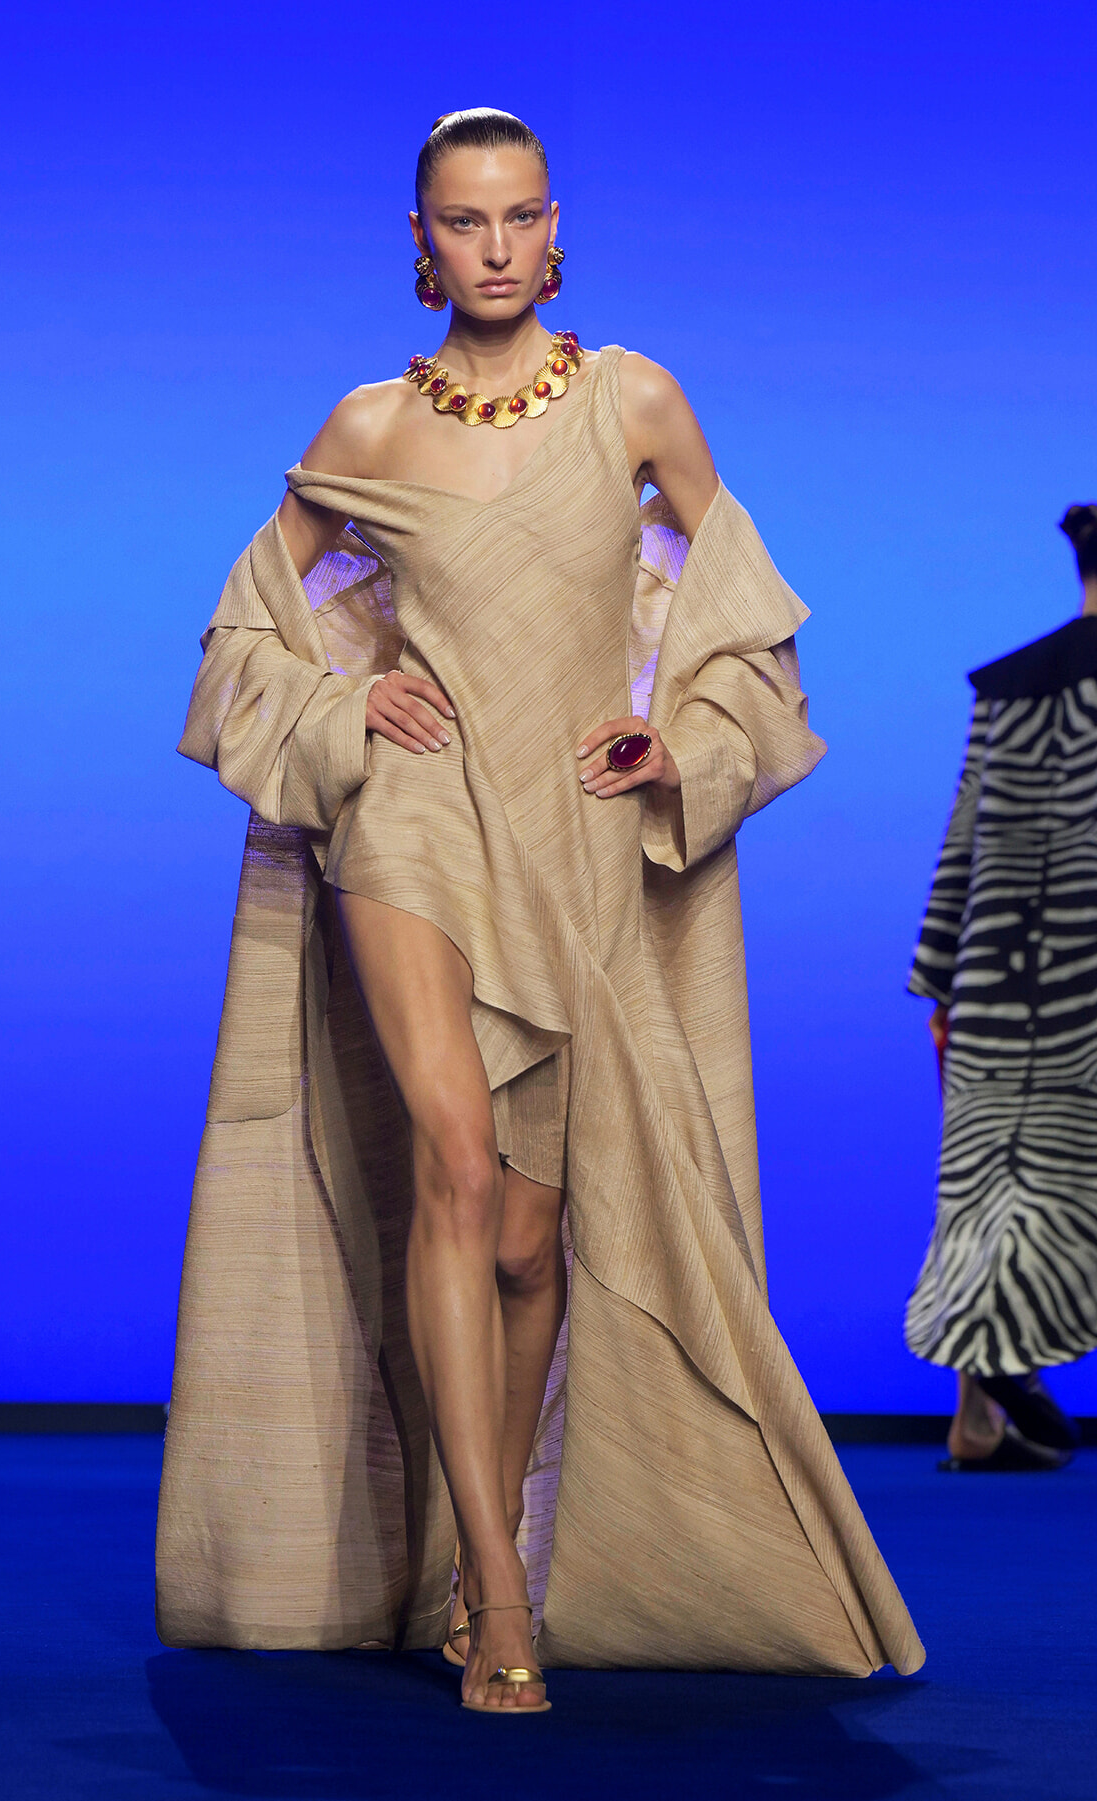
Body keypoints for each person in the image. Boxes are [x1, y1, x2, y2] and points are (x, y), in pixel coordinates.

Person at [156, 108, 923, 1710]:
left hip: (575, 832)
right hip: (418, 829)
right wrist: (343, 719)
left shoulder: (637, 399)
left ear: (555, 229)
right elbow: (241, 644)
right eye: (460, 220)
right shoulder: (364, 428)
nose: (492, 247)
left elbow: (746, 629)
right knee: (451, 1163)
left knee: (525, 1236)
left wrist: (683, 740)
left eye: (517, 219)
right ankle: (498, 1600)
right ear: (417, 239)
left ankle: (477, 1533)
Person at [908, 503, 1097, 1472]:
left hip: (998, 977)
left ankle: (979, 1414)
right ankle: (1003, 1393)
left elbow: (966, 840)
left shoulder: (1010, 686)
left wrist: (938, 979)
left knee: (987, 1184)